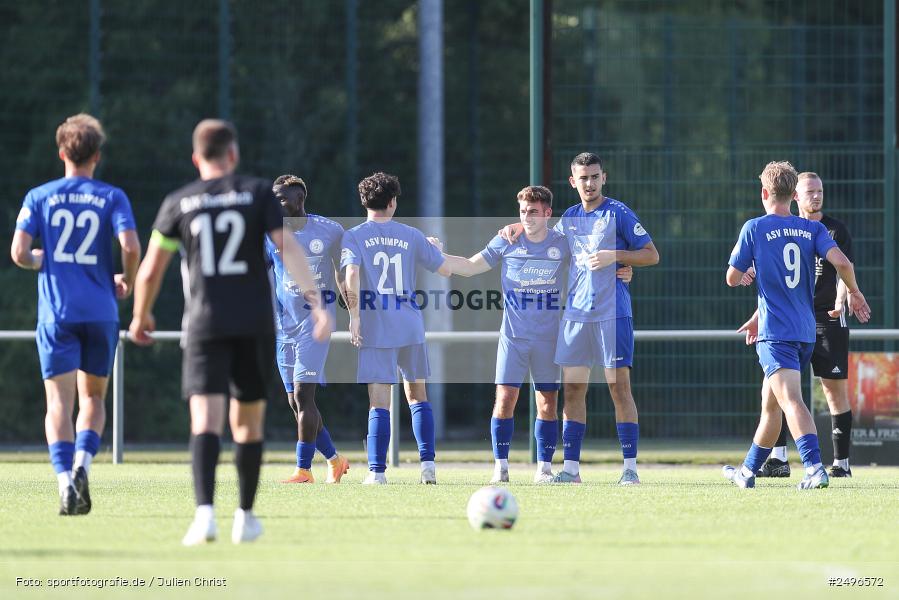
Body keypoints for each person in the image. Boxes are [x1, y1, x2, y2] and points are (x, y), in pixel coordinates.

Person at [128, 120, 328, 545]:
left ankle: (204, 516)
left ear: (196, 158)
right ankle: (246, 517)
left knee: (205, 420)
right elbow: (288, 248)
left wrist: (140, 316)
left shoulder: (178, 203)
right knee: (248, 422)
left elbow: (149, 271)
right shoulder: (258, 194)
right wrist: (318, 302)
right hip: (253, 322)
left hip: (203, 323)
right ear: (233, 155)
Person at [439, 185, 633, 484]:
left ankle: (544, 468)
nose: (526, 217)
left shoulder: (563, 241)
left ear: (547, 214)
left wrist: (625, 267)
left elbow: (590, 261)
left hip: (549, 337)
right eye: (522, 212)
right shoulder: (507, 240)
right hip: (513, 338)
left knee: (547, 402)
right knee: (504, 399)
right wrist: (437, 256)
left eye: (533, 212)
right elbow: (469, 266)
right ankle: (500, 467)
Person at [11, 113, 141, 516]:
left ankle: (65, 481)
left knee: (57, 405)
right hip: (100, 311)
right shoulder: (112, 196)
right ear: (96, 156)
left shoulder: (39, 196)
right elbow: (131, 246)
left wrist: (39, 260)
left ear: (62, 152)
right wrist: (128, 282)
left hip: (57, 313)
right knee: (94, 399)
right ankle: (84, 465)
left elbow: (18, 253)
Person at [502, 153, 659, 485]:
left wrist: (616, 257)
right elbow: (543, 244)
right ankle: (571, 470)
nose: (589, 183)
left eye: (595, 177)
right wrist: (518, 226)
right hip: (574, 317)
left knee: (619, 387)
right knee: (572, 389)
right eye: (583, 178)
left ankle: (630, 468)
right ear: (573, 182)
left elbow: (651, 254)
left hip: (611, 314)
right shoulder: (569, 219)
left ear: (604, 178)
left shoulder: (619, 213)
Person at [724, 161, 870, 490]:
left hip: (776, 334)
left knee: (791, 401)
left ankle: (814, 467)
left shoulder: (754, 228)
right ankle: (747, 472)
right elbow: (843, 263)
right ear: (794, 195)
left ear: (764, 192)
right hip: (806, 332)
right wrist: (856, 293)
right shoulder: (813, 230)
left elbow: (732, 278)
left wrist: (745, 273)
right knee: (770, 405)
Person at [341, 172, 451, 485]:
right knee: (418, 396)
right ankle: (428, 467)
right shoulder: (411, 235)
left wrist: (355, 316)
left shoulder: (354, 235)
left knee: (379, 401)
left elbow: (351, 275)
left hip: (376, 326)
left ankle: (377, 473)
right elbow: (443, 268)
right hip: (410, 325)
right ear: (392, 202)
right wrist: (436, 248)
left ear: (364, 202)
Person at [266, 174, 349, 484]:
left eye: (282, 199)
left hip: (315, 324)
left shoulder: (329, 230)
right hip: (281, 326)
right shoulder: (269, 234)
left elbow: (343, 273)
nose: (276, 205)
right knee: (297, 401)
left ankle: (303, 470)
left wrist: (352, 311)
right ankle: (335, 459)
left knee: (303, 394)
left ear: (300, 200)